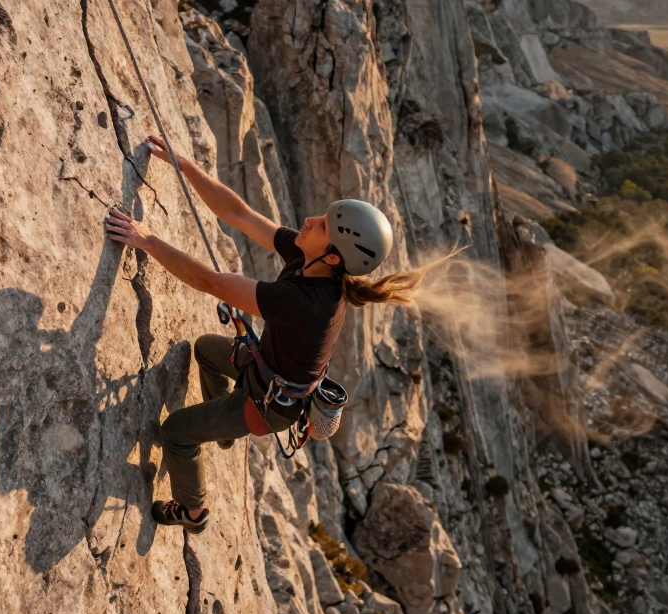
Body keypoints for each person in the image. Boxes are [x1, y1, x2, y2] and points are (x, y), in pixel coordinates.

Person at [104, 136, 426, 533]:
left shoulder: (306, 301)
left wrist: (144, 239)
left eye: (322, 225)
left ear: (334, 256)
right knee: (205, 350)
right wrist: (184, 165)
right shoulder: (311, 259)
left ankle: (193, 512)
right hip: (265, 370)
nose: (309, 220)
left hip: (270, 403)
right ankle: (220, 430)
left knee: (175, 433)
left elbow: (208, 280)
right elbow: (239, 214)